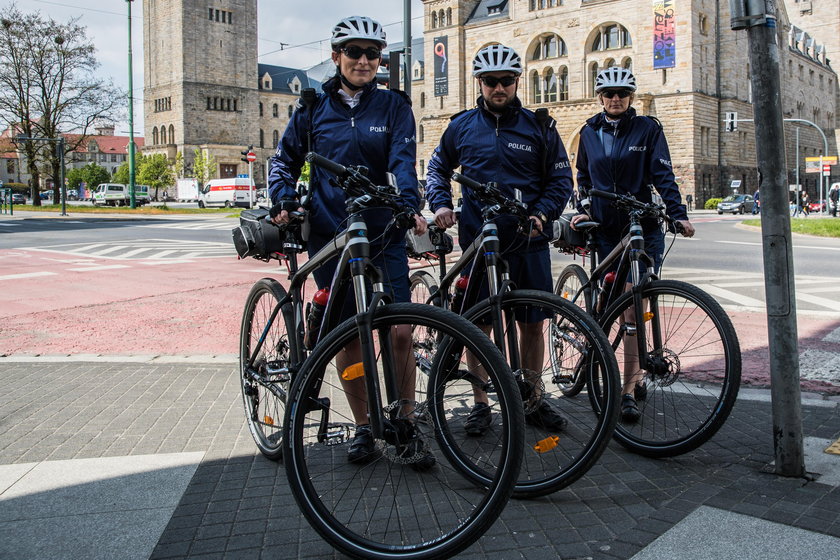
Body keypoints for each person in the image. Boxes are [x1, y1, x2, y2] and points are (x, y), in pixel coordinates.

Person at [267, 16, 431, 468]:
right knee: (350, 337)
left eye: (372, 54)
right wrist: (283, 197)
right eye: (353, 52)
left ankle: (405, 422)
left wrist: (408, 202)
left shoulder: (394, 105)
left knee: (399, 332)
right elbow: (284, 160)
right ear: (337, 56)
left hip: (383, 231)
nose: (363, 61)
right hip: (332, 234)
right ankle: (363, 426)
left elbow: (403, 159)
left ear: (380, 60)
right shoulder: (313, 105)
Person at [425, 44, 573, 435]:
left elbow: (561, 179)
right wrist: (440, 205)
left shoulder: (539, 125)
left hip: (529, 239)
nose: (499, 88)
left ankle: (533, 398)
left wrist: (543, 213)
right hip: (479, 241)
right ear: (480, 83)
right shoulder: (461, 126)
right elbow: (437, 168)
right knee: (479, 326)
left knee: (531, 323)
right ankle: (480, 403)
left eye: (506, 80)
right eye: (491, 81)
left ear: (517, 80)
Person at [570, 66, 695, 423]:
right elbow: (582, 177)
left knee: (633, 306)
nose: (615, 99)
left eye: (622, 94)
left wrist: (678, 213)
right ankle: (598, 347)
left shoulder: (648, 128)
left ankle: (628, 388)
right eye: (609, 94)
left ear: (631, 97)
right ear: (600, 97)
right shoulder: (589, 131)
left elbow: (662, 174)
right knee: (610, 304)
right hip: (606, 228)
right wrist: (581, 210)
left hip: (643, 225)